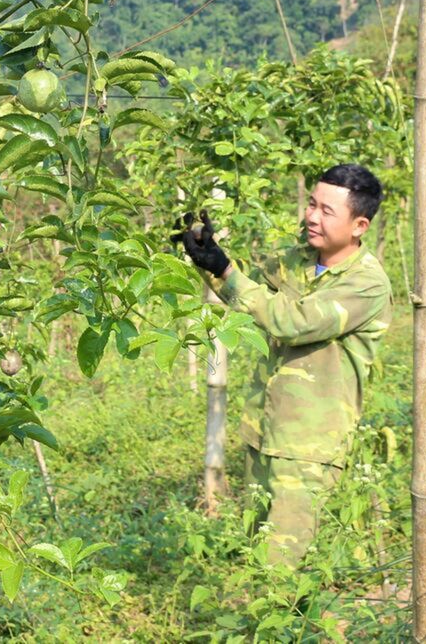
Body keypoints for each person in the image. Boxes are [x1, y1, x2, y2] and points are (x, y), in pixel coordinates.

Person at [173, 164, 392, 566]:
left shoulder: (367, 283)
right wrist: (207, 258)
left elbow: (291, 322)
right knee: (257, 554)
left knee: (283, 569)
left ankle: (292, 630)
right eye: (311, 204)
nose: (311, 216)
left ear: (360, 225)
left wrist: (226, 271)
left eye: (327, 211)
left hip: (309, 447)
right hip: (264, 431)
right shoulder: (297, 260)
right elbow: (249, 294)